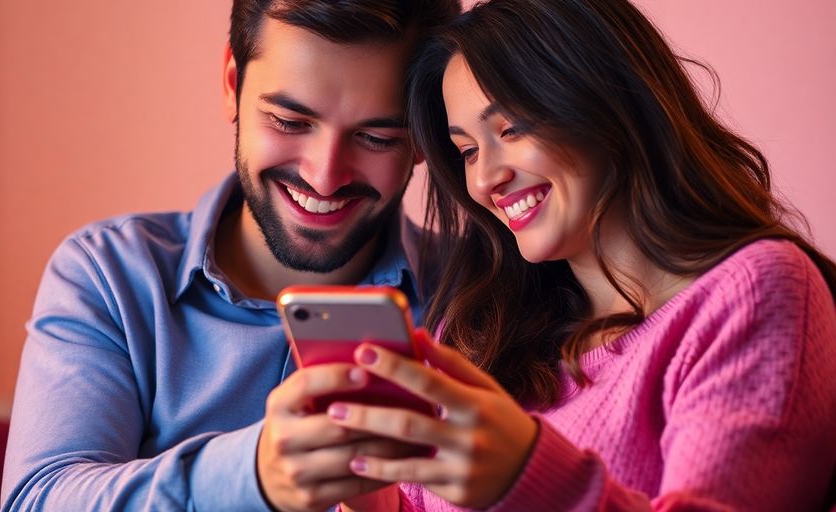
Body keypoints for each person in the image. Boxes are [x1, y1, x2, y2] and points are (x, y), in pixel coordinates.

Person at [327, 0, 836, 510]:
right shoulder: (479, 335)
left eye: (511, 129)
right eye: (468, 151)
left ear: (606, 101)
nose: (485, 180)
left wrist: (526, 475)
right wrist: (370, 498)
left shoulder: (753, 292)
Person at [0, 1, 460, 512]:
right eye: (289, 121)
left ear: (424, 134)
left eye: (376, 137)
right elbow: (39, 500)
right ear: (231, 85)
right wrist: (254, 473)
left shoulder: (478, 294)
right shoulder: (109, 274)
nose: (325, 176)